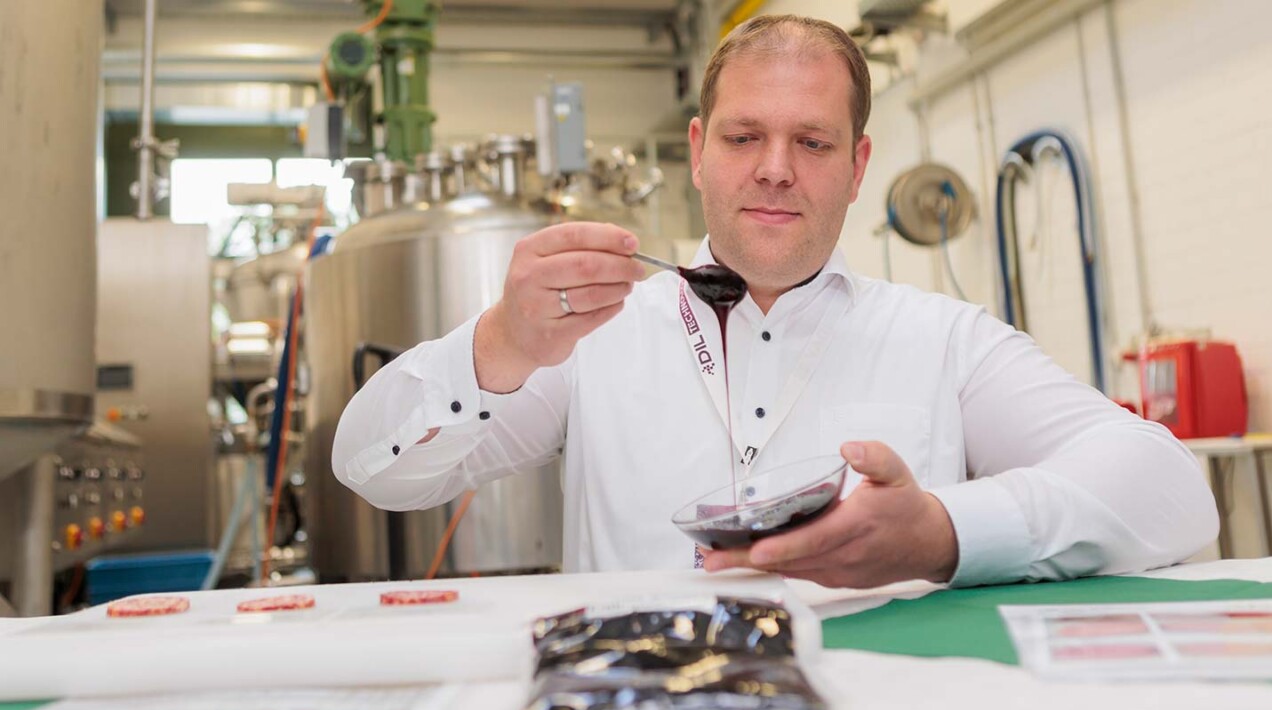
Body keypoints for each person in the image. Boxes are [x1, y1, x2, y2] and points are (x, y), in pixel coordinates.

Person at [332, 14, 1218, 589]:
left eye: (814, 140)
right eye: (745, 135)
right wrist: (498, 342)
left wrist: (945, 531)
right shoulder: (591, 340)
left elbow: (1173, 491)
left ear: (860, 166)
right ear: (698, 150)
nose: (775, 167)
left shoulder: (942, 339)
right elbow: (371, 470)